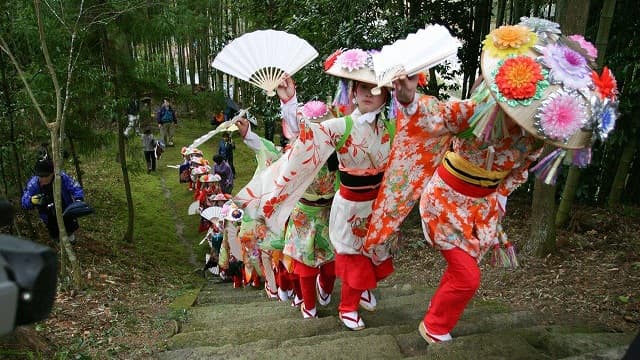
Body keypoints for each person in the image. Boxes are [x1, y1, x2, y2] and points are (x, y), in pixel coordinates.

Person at [364, 19, 618, 344]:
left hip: (482, 211)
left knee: (463, 271)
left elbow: (517, 172)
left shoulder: (533, 138)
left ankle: (437, 314)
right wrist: (409, 99)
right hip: (446, 201)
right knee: (468, 276)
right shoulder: (475, 111)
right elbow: (437, 115)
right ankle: (435, 326)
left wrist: (499, 199)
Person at [234, 48, 399, 330]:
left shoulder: (393, 127)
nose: (368, 92)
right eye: (361, 86)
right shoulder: (341, 126)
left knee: (377, 255)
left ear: (387, 94)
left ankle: (357, 291)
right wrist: (289, 102)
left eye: (377, 87)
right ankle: (345, 306)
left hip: (377, 205)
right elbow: (309, 134)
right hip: (347, 205)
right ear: (352, 90)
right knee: (347, 257)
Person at [21, 157, 85, 242]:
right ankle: (58, 242)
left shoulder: (61, 177)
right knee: (55, 234)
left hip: (65, 208)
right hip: (48, 215)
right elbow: (24, 200)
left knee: (70, 228)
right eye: (40, 176)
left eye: (45, 175)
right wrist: (31, 201)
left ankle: (71, 239)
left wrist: (79, 200)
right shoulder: (34, 184)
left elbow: (75, 187)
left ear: (52, 173)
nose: (42, 178)